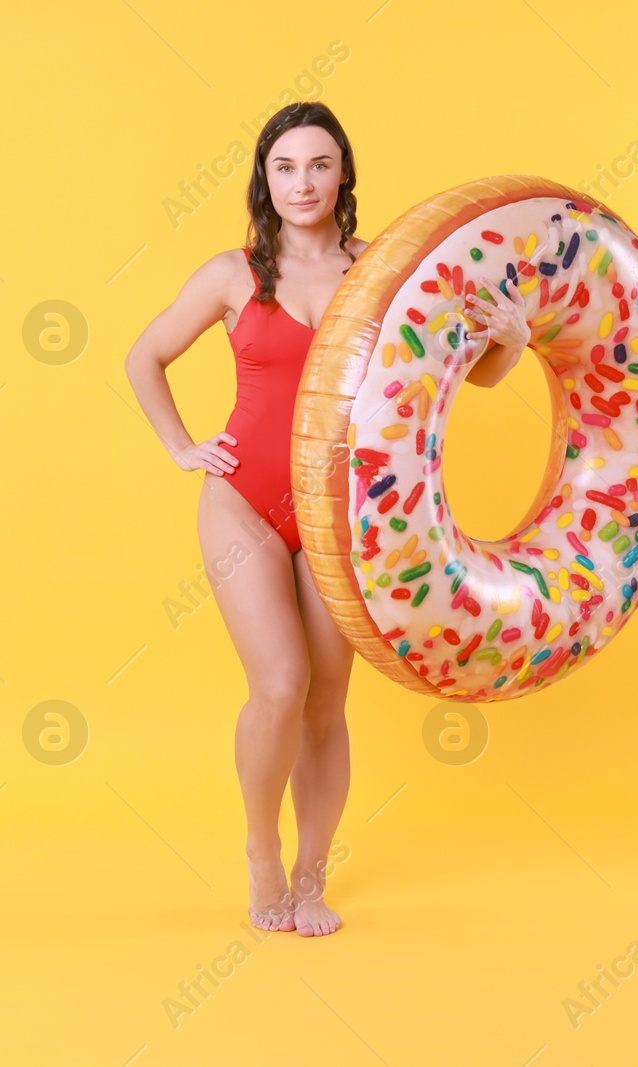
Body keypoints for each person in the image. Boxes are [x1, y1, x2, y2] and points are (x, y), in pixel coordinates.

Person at [124, 102, 532, 936]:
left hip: (339, 515)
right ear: (263, 179)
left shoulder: (383, 270)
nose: (302, 181)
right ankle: (260, 854)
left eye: (318, 164)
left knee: (323, 703)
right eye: (284, 166)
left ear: (343, 172)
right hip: (244, 501)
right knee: (278, 684)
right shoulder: (233, 274)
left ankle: (311, 877)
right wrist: (180, 446)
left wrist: (515, 341)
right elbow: (145, 354)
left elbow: (475, 372)